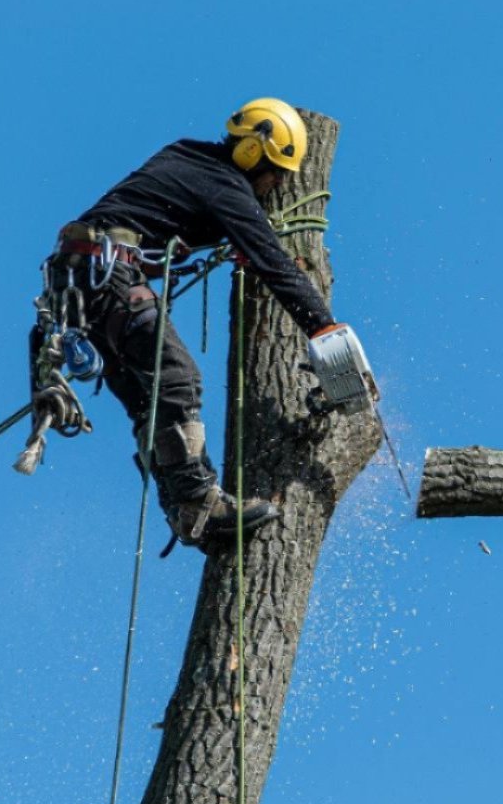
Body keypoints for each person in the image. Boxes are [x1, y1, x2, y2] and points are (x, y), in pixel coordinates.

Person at [34, 97, 341, 550]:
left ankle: (186, 512)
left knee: (150, 406)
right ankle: (199, 500)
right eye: (275, 172)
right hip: (106, 276)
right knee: (177, 379)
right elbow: (275, 264)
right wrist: (325, 329)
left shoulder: (187, 156)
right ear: (252, 153)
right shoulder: (224, 183)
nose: (275, 185)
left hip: (79, 286)